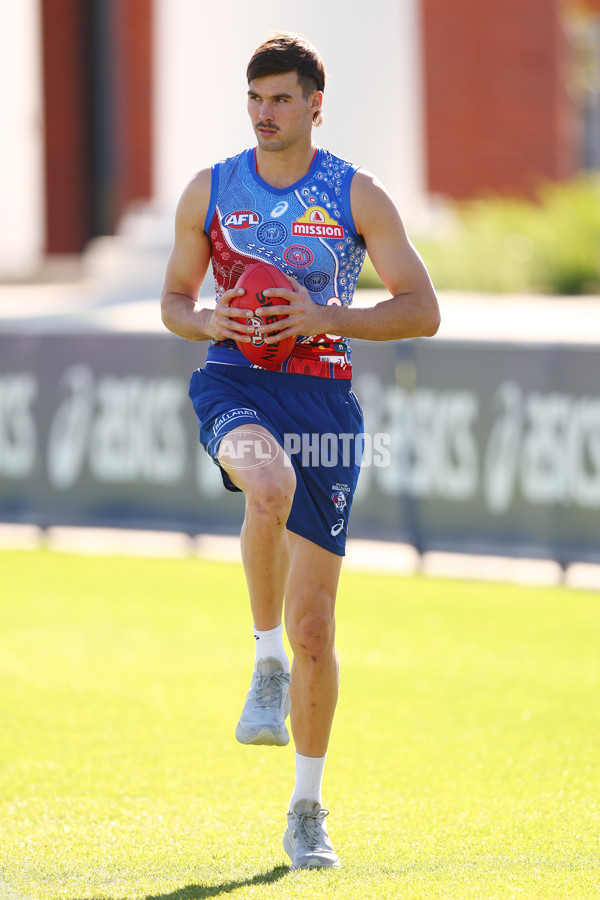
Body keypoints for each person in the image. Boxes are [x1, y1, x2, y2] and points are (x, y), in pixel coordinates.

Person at [160, 31, 440, 869]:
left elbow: (421, 309)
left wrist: (326, 318)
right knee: (267, 484)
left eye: (282, 99)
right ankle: (264, 662)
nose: (265, 114)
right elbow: (175, 298)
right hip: (234, 382)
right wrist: (206, 319)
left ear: (315, 104)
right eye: (255, 98)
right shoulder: (213, 189)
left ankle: (307, 808)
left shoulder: (356, 194)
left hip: (323, 398)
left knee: (318, 624)